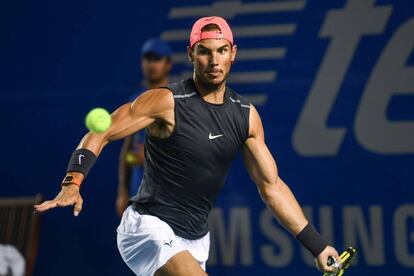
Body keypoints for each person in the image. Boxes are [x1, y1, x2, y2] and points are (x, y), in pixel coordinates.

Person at [34, 16, 340, 276]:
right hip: (147, 228)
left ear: (233, 53)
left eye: (221, 51)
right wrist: (73, 181)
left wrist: (317, 245)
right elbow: (101, 132)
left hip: (195, 240)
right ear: (191, 55)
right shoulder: (165, 101)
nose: (214, 60)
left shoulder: (246, 117)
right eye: (204, 52)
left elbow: (271, 187)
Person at [116, 38, 172, 217]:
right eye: (148, 59)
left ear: (168, 64)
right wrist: (122, 191)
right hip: (138, 194)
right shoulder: (135, 100)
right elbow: (128, 149)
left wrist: (149, 155)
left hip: (171, 195)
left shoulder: (176, 98)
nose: (151, 64)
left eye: (157, 59)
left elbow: (188, 147)